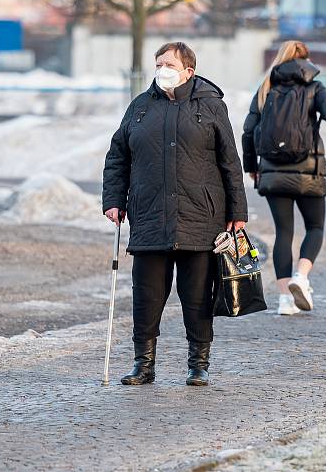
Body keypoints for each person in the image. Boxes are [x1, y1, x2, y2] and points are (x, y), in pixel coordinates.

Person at [102, 42, 248, 386]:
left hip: (200, 217)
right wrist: (113, 199)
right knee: (147, 295)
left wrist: (237, 211)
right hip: (149, 216)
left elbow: (230, 161)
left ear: (188, 71)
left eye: (168, 63)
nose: (161, 69)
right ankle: (143, 363)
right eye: (158, 63)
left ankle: (198, 363)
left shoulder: (211, 106)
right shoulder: (140, 107)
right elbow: (117, 155)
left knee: (197, 295)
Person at [242, 41, 326, 315]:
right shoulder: (315, 87)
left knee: (283, 233)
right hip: (308, 171)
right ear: (306, 61)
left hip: (273, 174)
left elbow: (249, 130)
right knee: (315, 228)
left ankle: (285, 300)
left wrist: (251, 167)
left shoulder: (266, 87)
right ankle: (302, 275)